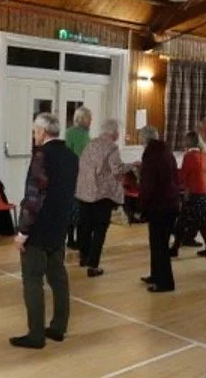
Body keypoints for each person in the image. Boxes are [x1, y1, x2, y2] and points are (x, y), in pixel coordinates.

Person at [10, 113, 79, 349]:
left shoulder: (41, 156)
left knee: (32, 280)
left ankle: (36, 334)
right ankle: (59, 327)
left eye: (34, 132)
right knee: (58, 278)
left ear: (42, 132)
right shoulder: (71, 156)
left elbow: (33, 197)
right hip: (60, 226)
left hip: (39, 228)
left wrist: (22, 232)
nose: (33, 136)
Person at [75, 118, 125, 277]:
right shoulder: (112, 148)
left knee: (84, 227)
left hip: (84, 192)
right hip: (102, 195)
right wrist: (133, 166)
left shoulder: (90, 144)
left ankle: (83, 257)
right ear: (114, 133)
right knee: (99, 230)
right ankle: (93, 265)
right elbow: (117, 170)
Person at [137, 126, 180, 293]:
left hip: (159, 205)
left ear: (145, 139)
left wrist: (140, 207)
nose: (140, 140)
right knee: (157, 243)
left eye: (140, 137)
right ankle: (156, 275)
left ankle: (165, 283)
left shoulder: (151, 155)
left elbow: (148, 184)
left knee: (159, 245)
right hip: (170, 202)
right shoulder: (165, 151)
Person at [170, 131, 206, 258]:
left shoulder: (189, 156)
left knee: (182, 220)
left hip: (193, 191)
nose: (183, 142)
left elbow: (184, 174)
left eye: (185, 140)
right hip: (205, 190)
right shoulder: (204, 155)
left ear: (190, 141)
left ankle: (175, 249)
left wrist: (183, 186)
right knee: (201, 221)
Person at [65, 106, 92, 249]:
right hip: (75, 173)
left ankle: (79, 238)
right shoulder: (71, 133)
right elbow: (69, 153)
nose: (91, 121)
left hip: (85, 174)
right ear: (82, 119)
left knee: (81, 208)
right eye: (89, 118)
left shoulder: (86, 134)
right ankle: (70, 238)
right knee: (73, 207)